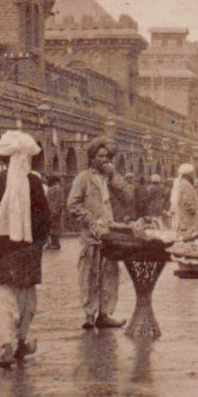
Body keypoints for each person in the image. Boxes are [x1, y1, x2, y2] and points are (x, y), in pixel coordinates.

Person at [0, 131, 51, 368]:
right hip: (27, 249)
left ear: (4, 158)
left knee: (2, 295)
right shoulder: (34, 182)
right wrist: (38, 242)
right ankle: (21, 341)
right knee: (26, 296)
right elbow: (44, 218)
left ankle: (7, 345)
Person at [67, 137, 124, 329]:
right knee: (89, 274)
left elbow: (128, 196)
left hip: (110, 234)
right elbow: (73, 204)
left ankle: (105, 313)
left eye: (107, 156)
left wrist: (114, 176)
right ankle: (89, 315)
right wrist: (90, 221)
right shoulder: (83, 178)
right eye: (101, 156)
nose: (105, 160)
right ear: (92, 158)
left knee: (109, 274)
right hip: (91, 236)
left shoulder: (109, 177)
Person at [169, 163, 198, 236]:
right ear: (188, 174)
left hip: (184, 218)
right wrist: (194, 214)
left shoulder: (182, 183)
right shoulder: (186, 185)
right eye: (192, 173)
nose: (193, 175)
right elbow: (188, 202)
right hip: (187, 220)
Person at [44, 173, 66, 250]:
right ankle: (54, 243)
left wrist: (54, 212)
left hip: (53, 211)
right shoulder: (54, 188)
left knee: (54, 228)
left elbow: (57, 201)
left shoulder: (55, 189)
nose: (46, 181)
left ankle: (55, 244)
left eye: (47, 179)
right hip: (51, 210)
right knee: (52, 228)